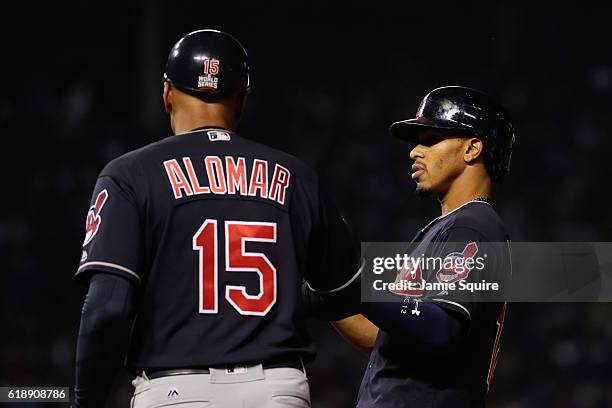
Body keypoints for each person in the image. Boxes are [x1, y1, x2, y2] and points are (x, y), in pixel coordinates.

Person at [73, 29, 360, 408]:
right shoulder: (298, 176)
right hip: (277, 388)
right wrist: (445, 278)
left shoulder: (130, 173)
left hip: (177, 390)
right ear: (242, 99)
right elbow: (348, 295)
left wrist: (85, 399)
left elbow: (109, 307)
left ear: (166, 93)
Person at [335, 86, 515, 407]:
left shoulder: (472, 227)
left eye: (431, 139)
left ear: (473, 149)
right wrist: (333, 293)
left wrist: (360, 289)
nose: (415, 152)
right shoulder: (454, 226)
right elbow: (391, 340)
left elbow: (442, 327)